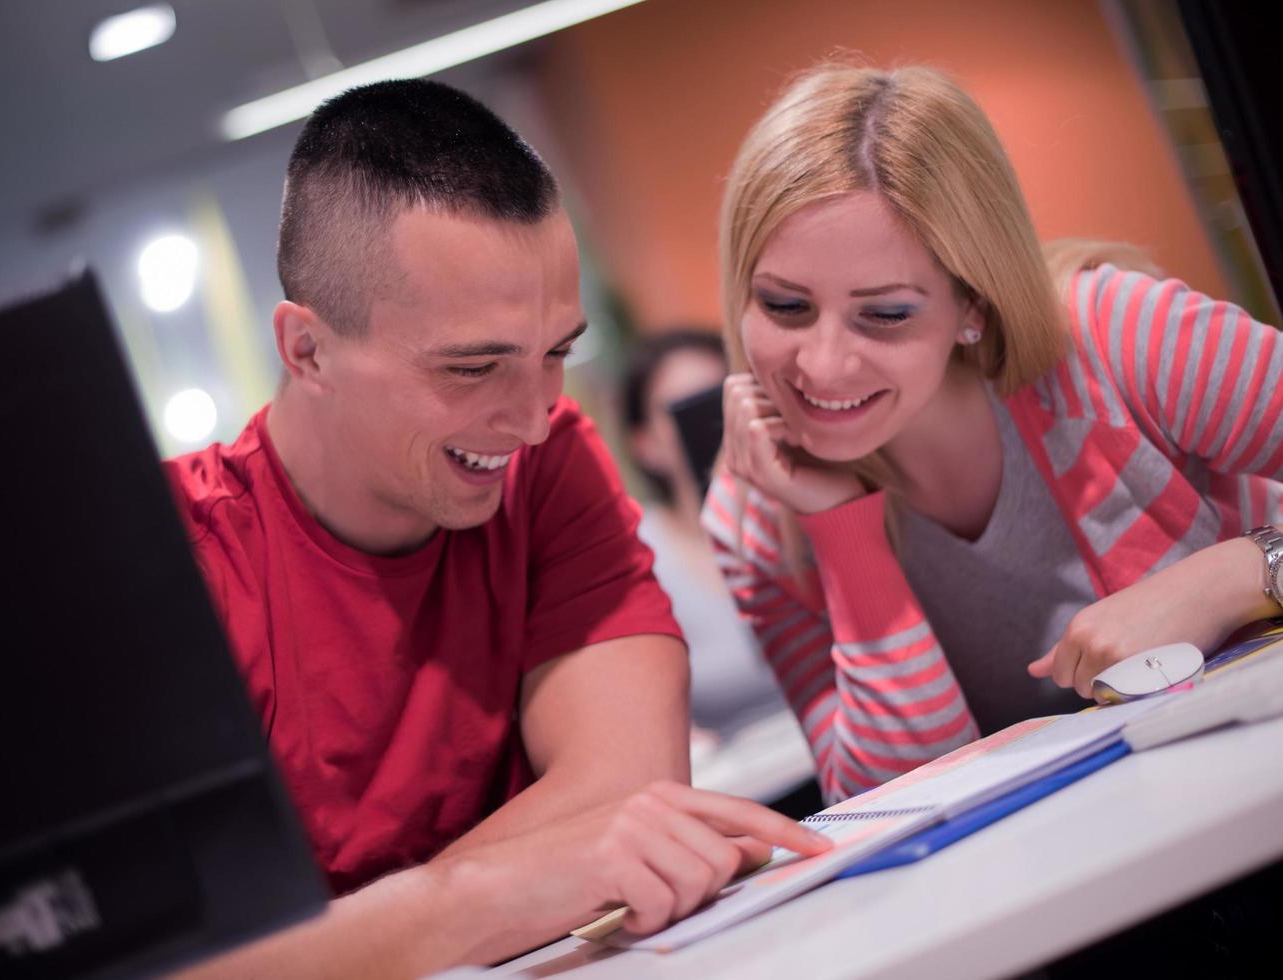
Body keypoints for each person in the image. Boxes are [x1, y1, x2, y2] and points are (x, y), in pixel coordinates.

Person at [165, 78, 830, 972]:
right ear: (307, 350)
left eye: (556, 352)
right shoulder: (174, 566)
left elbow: (630, 787)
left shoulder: (548, 459)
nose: (529, 417)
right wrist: (474, 901)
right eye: (473, 369)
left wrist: (354, 941)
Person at [704, 63, 1283, 805]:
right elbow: (898, 801)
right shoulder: (755, 511)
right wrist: (839, 526)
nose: (822, 364)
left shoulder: (1116, 337)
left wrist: (1239, 574)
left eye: (885, 315)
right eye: (784, 306)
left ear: (971, 303)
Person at [621, 331, 805, 742]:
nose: (712, 422)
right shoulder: (637, 563)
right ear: (645, 444)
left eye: (720, 399)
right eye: (682, 411)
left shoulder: (808, 506)